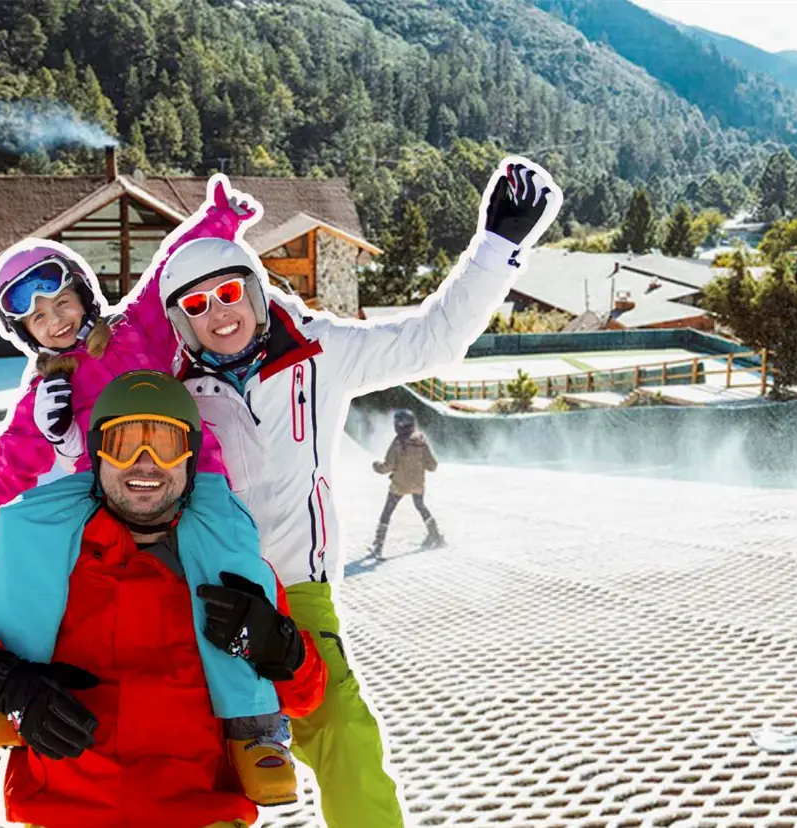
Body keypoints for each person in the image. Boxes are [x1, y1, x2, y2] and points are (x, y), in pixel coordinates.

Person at [149, 155, 559, 826]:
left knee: (343, 736)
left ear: (253, 291)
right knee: (206, 764)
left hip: (299, 593)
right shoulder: (170, 388)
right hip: (203, 597)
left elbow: (431, 339)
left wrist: (497, 245)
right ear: (178, 321)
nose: (218, 315)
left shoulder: (319, 351)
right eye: (196, 307)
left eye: (228, 294)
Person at [0, 179, 272, 784]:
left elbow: (167, 266)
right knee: (24, 526)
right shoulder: (46, 391)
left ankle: (255, 730)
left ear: (84, 295)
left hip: (187, 473)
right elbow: (10, 467)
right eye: (36, 318)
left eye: (61, 303)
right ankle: (8, 697)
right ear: (24, 335)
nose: (55, 322)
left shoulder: (136, 329)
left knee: (228, 562)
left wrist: (216, 220)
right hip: (104, 494)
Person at [0, 372, 327, 827]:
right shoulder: (24, 548)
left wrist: (283, 650)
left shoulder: (229, 562)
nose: (144, 463)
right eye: (123, 444)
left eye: (165, 445)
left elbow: (305, 695)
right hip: (62, 813)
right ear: (96, 455)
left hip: (196, 812)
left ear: (190, 460)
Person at [368, 408, 443, 557]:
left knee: (387, 512)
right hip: (417, 484)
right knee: (420, 506)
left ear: (398, 426)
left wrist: (376, 466)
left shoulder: (397, 443)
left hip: (399, 486)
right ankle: (435, 534)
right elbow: (433, 465)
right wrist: (420, 464)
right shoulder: (421, 441)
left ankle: (378, 545)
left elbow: (387, 467)